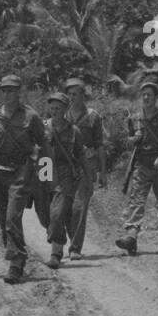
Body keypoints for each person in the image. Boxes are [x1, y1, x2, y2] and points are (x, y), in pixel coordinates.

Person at [0, 74, 50, 284]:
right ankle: (13, 253)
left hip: (21, 172)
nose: (8, 93)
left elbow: (44, 142)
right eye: (4, 90)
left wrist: (45, 173)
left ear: (19, 92)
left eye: (12, 90)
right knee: (3, 218)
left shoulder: (31, 116)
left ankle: (17, 262)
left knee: (12, 217)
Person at [115, 79, 158, 256]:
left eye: (150, 95)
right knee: (136, 200)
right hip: (141, 165)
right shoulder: (134, 118)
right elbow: (129, 140)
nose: (147, 98)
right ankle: (131, 238)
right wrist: (135, 138)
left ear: (156, 97)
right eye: (144, 95)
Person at [41, 92, 87, 269]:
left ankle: (56, 253)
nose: (54, 111)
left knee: (56, 213)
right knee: (45, 213)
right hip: (45, 171)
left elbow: (81, 155)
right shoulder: (43, 127)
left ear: (65, 109)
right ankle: (56, 232)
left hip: (66, 175)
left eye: (58, 108)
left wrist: (89, 177)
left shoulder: (74, 131)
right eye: (52, 108)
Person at [64, 77, 106, 258]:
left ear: (83, 95)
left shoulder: (93, 116)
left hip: (87, 166)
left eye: (75, 94)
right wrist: (45, 174)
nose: (72, 98)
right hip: (65, 167)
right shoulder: (61, 115)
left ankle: (75, 248)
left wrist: (103, 172)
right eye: (69, 94)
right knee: (64, 208)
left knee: (80, 207)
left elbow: (100, 145)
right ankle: (72, 238)